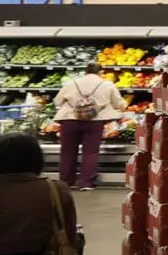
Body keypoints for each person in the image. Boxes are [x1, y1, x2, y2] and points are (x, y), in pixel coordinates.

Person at [51, 61, 124, 192]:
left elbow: (57, 101)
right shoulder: (107, 84)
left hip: (70, 119)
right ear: (100, 72)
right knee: (90, 152)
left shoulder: (72, 83)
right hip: (94, 121)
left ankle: (66, 182)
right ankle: (86, 183)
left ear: (85, 71)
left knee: (67, 152)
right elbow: (119, 104)